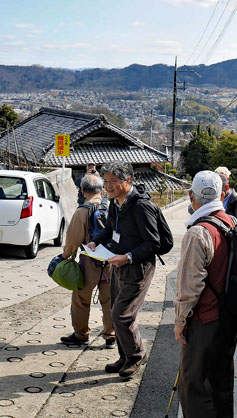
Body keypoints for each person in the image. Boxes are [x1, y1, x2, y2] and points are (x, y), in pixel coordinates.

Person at [87, 161, 160, 378]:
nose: (107, 186)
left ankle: (136, 355)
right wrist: (95, 242)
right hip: (118, 264)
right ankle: (124, 357)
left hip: (138, 268)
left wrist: (128, 257)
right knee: (114, 312)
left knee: (122, 314)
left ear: (127, 180)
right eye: (105, 181)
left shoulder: (140, 207)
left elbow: (153, 242)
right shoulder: (115, 204)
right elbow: (110, 230)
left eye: (113, 181)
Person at [174, 170, 237, 418]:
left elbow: (190, 286)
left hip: (204, 320)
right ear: (221, 195)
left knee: (194, 385)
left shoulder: (198, 232)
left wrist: (180, 321)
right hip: (228, 317)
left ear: (192, 196)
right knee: (221, 382)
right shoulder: (232, 223)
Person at [59, 174, 115, 348]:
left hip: (89, 261)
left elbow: (73, 239)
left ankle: (81, 334)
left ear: (83, 191)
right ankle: (111, 335)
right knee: (109, 300)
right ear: (102, 189)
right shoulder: (111, 207)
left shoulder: (82, 211)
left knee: (81, 300)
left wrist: (66, 255)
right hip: (111, 261)